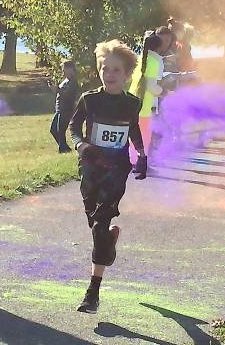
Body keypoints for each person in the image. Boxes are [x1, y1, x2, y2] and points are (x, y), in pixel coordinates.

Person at [69, 39, 147, 313]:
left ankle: (92, 292)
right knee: (96, 226)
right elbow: (73, 126)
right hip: (90, 169)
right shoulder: (89, 100)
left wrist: (141, 154)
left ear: (126, 74)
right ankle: (108, 244)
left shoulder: (132, 104)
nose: (110, 74)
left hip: (116, 170)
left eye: (116, 70)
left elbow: (133, 129)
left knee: (100, 225)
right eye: (105, 68)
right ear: (98, 71)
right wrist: (81, 144)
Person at [129, 32, 165, 159]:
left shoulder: (140, 58)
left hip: (133, 100)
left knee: (133, 136)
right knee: (144, 137)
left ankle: (132, 161)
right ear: (159, 47)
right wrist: (163, 91)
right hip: (146, 105)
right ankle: (140, 162)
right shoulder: (155, 61)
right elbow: (151, 86)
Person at [50, 60, 79, 153]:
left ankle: (63, 149)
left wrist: (57, 89)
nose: (62, 71)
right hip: (59, 109)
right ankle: (65, 148)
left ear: (70, 69)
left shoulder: (73, 82)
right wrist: (55, 89)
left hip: (67, 109)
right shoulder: (65, 81)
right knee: (53, 129)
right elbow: (61, 93)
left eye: (64, 69)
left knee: (60, 131)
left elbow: (69, 96)